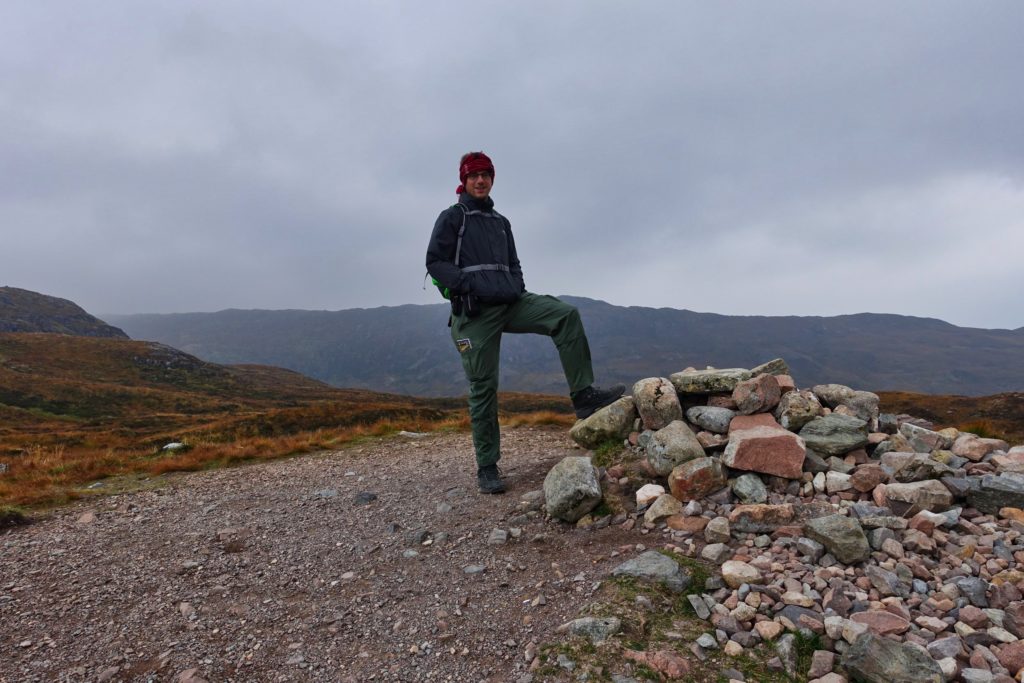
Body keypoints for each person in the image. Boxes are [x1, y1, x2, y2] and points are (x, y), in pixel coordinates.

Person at [426, 151, 624, 494]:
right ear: (463, 179)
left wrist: (516, 286)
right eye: (474, 175)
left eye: (486, 174)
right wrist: (467, 286)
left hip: (511, 302)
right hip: (474, 313)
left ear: (492, 178)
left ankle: (583, 396)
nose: (480, 180)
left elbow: (514, 262)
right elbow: (434, 262)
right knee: (484, 387)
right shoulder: (452, 218)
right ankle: (487, 467)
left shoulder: (501, 222)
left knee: (565, 315)